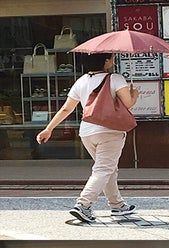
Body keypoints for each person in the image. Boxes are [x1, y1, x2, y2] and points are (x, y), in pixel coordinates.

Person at [36, 53, 140, 223]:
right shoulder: (115, 78)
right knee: (103, 170)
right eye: (111, 58)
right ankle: (83, 205)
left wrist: (49, 128)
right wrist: (134, 94)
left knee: (107, 169)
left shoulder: (81, 81)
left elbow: (66, 109)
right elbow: (128, 104)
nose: (113, 60)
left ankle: (117, 205)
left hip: (87, 132)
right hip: (110, 131)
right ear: (105, 61)